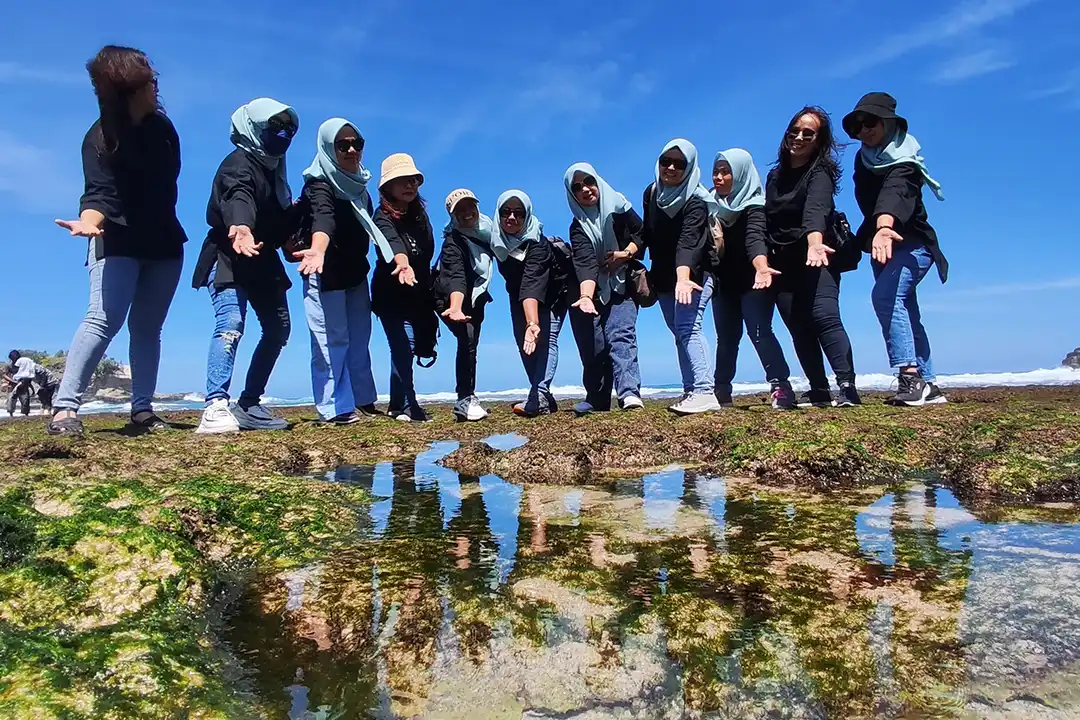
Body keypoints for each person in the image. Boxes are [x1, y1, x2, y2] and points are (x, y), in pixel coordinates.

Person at [49, 45, 187, 436]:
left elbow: (166, 187)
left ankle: (142, 410)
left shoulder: (164, 131)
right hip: (115, 237)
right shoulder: (99, 139)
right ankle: (64, 409)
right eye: (148, 82)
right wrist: (87, 223)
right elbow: (98, 194)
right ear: (128, 89)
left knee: (148, 328)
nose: (155, 87)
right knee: (102, 320)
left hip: (163, 240)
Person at [192, 98, 298, 434]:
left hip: (263, 258)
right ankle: (215, 404)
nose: (283, 134)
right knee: (231, 323)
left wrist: (291, 238)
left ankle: (249, 403)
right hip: (229, 253)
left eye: (289, 128)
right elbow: (239, 194)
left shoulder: (275, 171)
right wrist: (240, 226)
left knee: (278, 329)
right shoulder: (238, 163)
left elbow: (277, 218)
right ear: (253, 127)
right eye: (275, 126)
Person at [844, 92, 948, 406]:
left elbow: (895, 192)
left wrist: (886, 227)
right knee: (906, 310)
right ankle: (928, 384)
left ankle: (910, 376)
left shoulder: (906, 160)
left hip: (913, 244)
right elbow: (870, 204)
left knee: (885, 297)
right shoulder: (863, 159)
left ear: (889, 122)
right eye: (857, 126)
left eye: (870, 122)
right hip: (881, 244)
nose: (864, 130)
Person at [765, 106, 861, 409]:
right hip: (783, 261)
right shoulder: (775, 176)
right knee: (798, 325)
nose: (800, 136)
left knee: (824, 316)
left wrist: (815, 242)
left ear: (819, 140)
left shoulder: (820, 172)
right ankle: (818, 388)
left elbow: (816, 209)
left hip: (818, 255)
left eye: (809, 132)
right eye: (795, 129)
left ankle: (847, 387)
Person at [294, 118, 385, 425]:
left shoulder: (359, 186)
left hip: (356, 273)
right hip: (324, 272)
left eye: (356, 144)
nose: (350, 149)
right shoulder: (319, 184)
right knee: (332, 340)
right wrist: (318, 249)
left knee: (359, 339)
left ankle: (362, 401)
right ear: (327, 147)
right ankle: (334, 407)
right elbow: (324, 218)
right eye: (342, 144)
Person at [708, 150, 796, 409]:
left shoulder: (755, 205)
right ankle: (721, 391)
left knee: (759, 332)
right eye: (716, 171)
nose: (719, 177)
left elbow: (754, 239)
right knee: (725, 338)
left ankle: (781, 386)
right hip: (724, 283)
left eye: (726, 172)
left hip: (754, 280)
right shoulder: (710, 205)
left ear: (742, 174)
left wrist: (761, 266)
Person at [640, 139, 721, 415]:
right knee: (679, 333)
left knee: (689, 328)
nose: (671, 168)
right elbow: (646, 233)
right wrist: (626, 252)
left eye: (679, 163)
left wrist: (683, 278)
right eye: (666, 162)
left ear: (689, 167)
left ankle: (704, 391)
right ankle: (691, 390)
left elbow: (689, 242)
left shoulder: (696, 200)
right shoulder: (652, 194)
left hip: (694, 275)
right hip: (663, 277)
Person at [563, 163, 644, 414]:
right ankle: (597, 399)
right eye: (577, 187)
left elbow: (641, 234)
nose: (585, 189)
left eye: (589, 181)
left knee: (621, 336)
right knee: (594, 344)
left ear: (598, 181)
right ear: (572, 195)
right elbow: (586, 262)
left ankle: (629, 393)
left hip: (623, 285)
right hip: (595, 290)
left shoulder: (620, 207)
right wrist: (586, 296)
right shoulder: (578, 227)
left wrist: (625, 253)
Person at [491, 190, 571, 417]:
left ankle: (538, 396)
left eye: (519, 212)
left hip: (553, 293)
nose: (512, 217)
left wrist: (533, 323)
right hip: (518, 297)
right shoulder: (496, 239)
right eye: (506, 212)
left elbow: (532, 282)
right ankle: (543, 395)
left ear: (527, 215)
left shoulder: (537, 243)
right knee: (524, 344)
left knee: (545, 339)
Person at [372, 153, 439, 423]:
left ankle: (396, 404)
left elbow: (427, 253)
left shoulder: (420, 217)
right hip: (390, 294)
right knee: (401, 346)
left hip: (416, 294)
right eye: (402, 181)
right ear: (387, 187)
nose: (409, 185)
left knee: (409, 347)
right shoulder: (381, 217)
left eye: (413, 180)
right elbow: (391, 243)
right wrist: (403, 263)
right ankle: (410, 404)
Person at [434, 189, 495, 422]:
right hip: (448, 299)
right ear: (452, 215)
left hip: (475, 299)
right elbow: (456, 277)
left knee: (471, 344)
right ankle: (464, 399)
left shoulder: (490, 231)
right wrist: (456, 305)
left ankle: (468, 396)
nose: (467, 213)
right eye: (460, 210)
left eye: (470, 206)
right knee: (467, 339)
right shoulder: (453, 241)